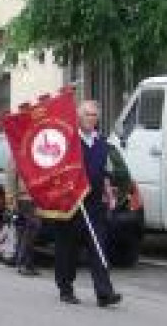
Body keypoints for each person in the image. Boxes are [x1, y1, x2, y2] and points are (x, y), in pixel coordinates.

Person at [47, 100, 122, 307]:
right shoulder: (68, 142)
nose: (92, 119)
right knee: (67, 249)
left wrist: (109, 193)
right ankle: (65, 288)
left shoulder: (102, 143)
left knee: (99, 247)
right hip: (72, 204)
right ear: (78, 117)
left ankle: (104, 293)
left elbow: (105, 172)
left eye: (95, 115)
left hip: (95, 203)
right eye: (87, 114)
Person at [4, 156, 40, 276]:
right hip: (24, 197)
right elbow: (10, 175)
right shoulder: (18, 149)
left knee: (26, 230)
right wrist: (10, 198)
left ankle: (27, 263)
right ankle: (23, 263)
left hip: (38, 197)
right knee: (32, 227)